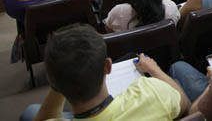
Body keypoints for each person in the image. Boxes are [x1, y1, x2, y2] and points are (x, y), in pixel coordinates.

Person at [20, 24, 189, 121]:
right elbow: (185, 105)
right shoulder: (153, 91)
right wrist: (154, 69)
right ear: (108, 66)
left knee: (30, 112)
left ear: (53, 81)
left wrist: (59, 76)